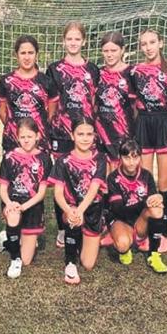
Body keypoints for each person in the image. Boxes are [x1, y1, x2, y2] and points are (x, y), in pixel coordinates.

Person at [46, 21, 99, 249]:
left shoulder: (92, 70)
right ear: (63, 41)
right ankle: (63, 227)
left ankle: (85, 224)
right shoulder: (54, 69)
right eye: (69, 39)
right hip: (61, 134)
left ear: (83, 41)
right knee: (62, 182)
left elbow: (93, 102)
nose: (73, 42)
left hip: (84, 135)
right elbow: (51, 103)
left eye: (77, 39)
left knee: (84, 180)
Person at [128, 29, 167, 252]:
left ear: (161, 43)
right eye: (144, 44)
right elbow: (131, 101)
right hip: (143, 123)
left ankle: (162, 232)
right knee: (145, 180)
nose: (148, 47)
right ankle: (146, 230)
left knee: (165, 182)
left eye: (152, 42)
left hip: (164, 122)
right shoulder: (135, 71)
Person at [49, 116, 108, 285]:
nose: (85, 138)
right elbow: (58, 194)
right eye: (80, 134)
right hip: (72, 208)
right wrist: (70, 211)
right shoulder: (63, 161)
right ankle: (70, 263)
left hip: (92, 210)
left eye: (89, 134)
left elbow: (94, 190)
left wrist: (80, 211)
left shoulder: (100, 159)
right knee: (73, 220)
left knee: (88, 264)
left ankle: (96, 231)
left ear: (94, 136)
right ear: (72, 135)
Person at [0, 118, 52, 279]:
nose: (26, 140)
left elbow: (41, 193)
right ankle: (15, 260)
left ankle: (6, 239)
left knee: (27, 260)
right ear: (17, 137)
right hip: (12, 203)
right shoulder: (9, 156)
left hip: (32, 206)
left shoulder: (44, 158)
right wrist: (9, 204)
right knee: (14, 215)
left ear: (37, 136)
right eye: (22, 137)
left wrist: (24, 207)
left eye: (29, 136)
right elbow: (3, 189)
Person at [105, 139, 167, 274]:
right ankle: (125, 243)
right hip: (121, 220)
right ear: (120, 157)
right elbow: (118, 209)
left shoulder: (146, 175)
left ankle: (153, 255)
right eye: (127, 157)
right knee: (122, 245)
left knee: (157, 209)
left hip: (140, 221)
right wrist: (145, 202)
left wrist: (158, 197)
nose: (131, 162)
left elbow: (152, 199)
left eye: (135, 157)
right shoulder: (113, 178)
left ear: (140, 157)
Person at [0, 35, 59, 154]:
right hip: (13, 139)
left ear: (36, 54)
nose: (27, 57)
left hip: (39, 140)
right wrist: (13, 125)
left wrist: (40, 124)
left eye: (30, 53)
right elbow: (1, 109)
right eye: (23, 53)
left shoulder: (46, 81)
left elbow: (51, 111)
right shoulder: (6, 81)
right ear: (16, 55)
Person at [95, 31, 135, 170]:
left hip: (124, 134)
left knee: (121, 177)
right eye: (106, 51)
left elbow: (136, 106)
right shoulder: (98, 74)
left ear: (122, 50)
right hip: (102, 133)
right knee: (102, 177)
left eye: (114, 50)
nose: (109, 54)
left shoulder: (131, 73)